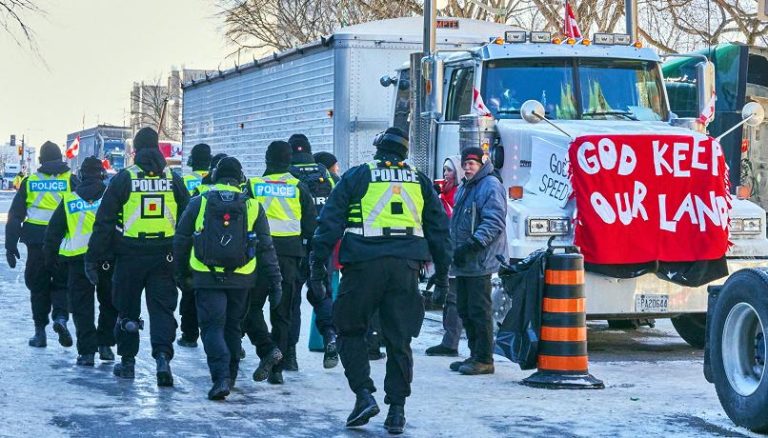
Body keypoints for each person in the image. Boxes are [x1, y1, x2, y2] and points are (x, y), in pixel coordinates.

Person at [310, 127, 451, 434]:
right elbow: (440, 231)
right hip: (406, 269)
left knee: (350, 329)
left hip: (363, 266)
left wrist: (317, 265)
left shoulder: (359, 175)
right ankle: (397, 410)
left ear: (378, 149)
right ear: (405, 151)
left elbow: (329, 222)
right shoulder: (419, 180)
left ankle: (363, 394)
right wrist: (442, 277)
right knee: (400, 339)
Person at [86, 127, 189, 385]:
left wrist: (93, 257)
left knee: (127, 310)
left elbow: (104, 222)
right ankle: (163, 359)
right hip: (164, 256)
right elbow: (188, 218)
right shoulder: (174, 179)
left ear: (136, 150)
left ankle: (128, 362)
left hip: (130, 256)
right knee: (162, 310)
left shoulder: (124, 178)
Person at [174, 157, 282, 400]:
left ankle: (220, 376)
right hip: (241, 278)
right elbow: (266, 247)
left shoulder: (199, 201)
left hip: (206, 275)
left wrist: (181, 274)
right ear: (241, 179)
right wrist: (276, 281)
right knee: (233, 326)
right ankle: (230, 376)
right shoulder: (253, 206)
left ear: (214, 177)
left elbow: (181, 239)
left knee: (212, 327)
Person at [243, 140, 317, 384]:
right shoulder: (298, 187)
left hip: (258, 255)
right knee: (283, 312)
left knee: (250, 307)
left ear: (267, 159)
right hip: (289, 257)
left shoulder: (253, 185)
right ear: (289, 161)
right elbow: (310, 227)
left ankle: (267, 349)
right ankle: (277, 370)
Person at [43, 157, 117, 366]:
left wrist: (50, 261)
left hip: (77, 261)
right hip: (107, 258)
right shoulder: (111, 197)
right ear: (102, 175)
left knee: (82, 307)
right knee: (109, 303)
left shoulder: (69, 200)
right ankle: (105, 345)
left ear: (81, 176)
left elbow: (53, 234)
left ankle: (86, 353)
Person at [6, 141, 77, 348]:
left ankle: (40, 333)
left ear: (40, 160)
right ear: (60, 158)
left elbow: (15, 216)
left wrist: (10, 246)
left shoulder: (30, 182)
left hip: (37, 243)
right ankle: (61, 318)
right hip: (64, 242)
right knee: (62, 283)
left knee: (38, 286)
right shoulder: (71, 180)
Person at [449, 147, 507, 376]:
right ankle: (475, 354)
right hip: (465, 260)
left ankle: (484, 358)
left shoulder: (490, 185)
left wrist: (473, 244)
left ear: (482, 164)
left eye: (472, 164)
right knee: (465, 308)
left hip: (480, 259)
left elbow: (494, 221)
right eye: (465, 164)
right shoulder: (466, 186)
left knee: (478, 309)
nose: (467, 168)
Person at [286, 133, 337, 370]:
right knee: (322, 294)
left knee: (292, 301)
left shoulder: (287, 175)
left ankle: (290, 357)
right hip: (323, 246)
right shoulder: (326, 174)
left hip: (296, 246)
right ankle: (330, 337)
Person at [426, 155, 464, 357]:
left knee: (453, 298)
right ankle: (449, 340)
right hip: (447, 251)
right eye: (444, 170)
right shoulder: (444, 195)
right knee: (450, 297)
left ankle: (450, 343)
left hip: (455, 252)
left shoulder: (458, 195)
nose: (445, 174)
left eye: (450, 170)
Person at [177, 143, 213, 348]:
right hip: (216, 242)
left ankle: (189, 334)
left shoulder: (184, 180)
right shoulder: (215, 180)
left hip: (191, 239)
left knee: (189, 289)